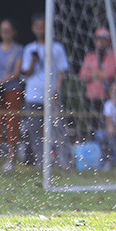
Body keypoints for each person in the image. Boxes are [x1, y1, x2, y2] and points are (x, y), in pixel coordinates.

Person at [22, 13, 73, 169]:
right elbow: (26, 72)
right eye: (37, 27)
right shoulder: (29, 48)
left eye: (43, 26)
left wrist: (57, 90)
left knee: (58, 129)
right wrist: (33, 61)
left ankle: (64, 160)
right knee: (35, 129)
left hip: (51, 94)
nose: (40, 29)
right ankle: (41, 160)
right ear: (33, 29)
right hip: (33, 94)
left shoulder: (57, 48)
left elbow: (61, 71)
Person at [0, 18, 24, 172]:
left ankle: (11, 160)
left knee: (12, 123)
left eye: (8, 30)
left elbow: (16, 73)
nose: (5, 34)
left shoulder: (19, 49)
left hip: (13, 90)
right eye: (3, 30)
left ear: (13, 32)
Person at [79, 26, 116, 131]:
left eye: (104, 39)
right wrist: (98, 74)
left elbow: (110, 73)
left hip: (107, 97)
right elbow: (83, 74)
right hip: (92, 98)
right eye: (98, 38)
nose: (101, 41)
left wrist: (93, 74)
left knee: (107, 125)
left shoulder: (113, 55)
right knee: (93, 127)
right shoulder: (90, 56)